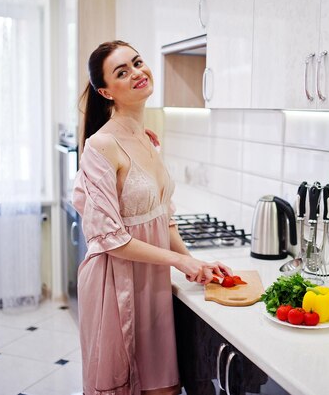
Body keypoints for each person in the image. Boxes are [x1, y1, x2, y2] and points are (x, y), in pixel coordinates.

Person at [73, 40, 232, 395]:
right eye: (121, 72)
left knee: (165, 387)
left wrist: (194, 263)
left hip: (153, 283)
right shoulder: (101, 147)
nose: (137, 73)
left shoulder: (148, 139)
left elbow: (164, 218)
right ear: (106, 91)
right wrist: (177, 260)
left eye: (137, 62)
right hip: (117, 286)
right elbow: (110, 237)